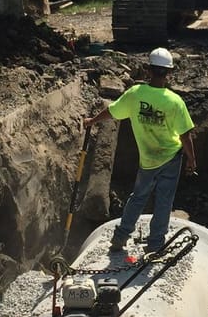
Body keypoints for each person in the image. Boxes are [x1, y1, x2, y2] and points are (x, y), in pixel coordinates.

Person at [83, 47, 197, 253]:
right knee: (164, 201)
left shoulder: (135, 94)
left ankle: (120, 237)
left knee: (138, 197)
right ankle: (155, 245)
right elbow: (185, 135)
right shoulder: (175, 102)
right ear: (169, 73)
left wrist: (92, 121)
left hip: (148, 160)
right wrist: (191, 160)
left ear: (148, 70)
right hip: (171, 157)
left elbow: (112, 111)